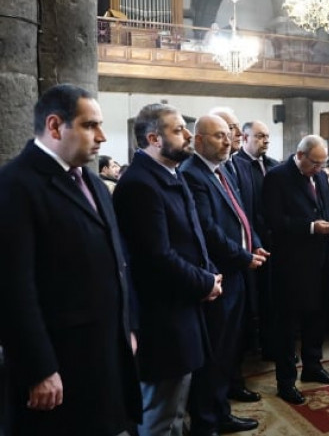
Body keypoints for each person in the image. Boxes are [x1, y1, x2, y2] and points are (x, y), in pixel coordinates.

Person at [0, 84, 141, 435]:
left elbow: (117, 261)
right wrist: (39, 369)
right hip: (61, 363)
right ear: (54, 126)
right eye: (90, 125)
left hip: (105, 351)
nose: (102, 137)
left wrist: (128, 326)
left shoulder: (92, 183)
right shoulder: (15, 184)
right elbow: (13, 289)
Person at [114, 103, 223, 436]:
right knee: (161, 414)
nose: (188, 135)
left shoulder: (168, 174)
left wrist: (209, 273)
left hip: (181, 308)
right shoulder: (141, 184)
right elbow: (157, 257)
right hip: (161, 318)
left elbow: (192, 236)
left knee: (175, 409)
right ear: (154, 139)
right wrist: (205, 282)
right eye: (178, 130)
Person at [180, 116, 268, 435]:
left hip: (237, 272)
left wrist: (254, 244)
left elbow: (240, 215)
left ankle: (221, 413)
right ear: (199, 140)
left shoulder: (222, 169)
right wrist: (243, 256)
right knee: (214, 354)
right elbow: (207, 229)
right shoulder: (192, 173)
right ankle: (206, 422)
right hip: (217, 276)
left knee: (229, 351)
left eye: (228, 135)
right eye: (219, 136)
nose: (228, 141)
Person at [263, 135, 329, 405]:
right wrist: (311, 227)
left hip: (321, 258)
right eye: (315, 163)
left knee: (318, 316)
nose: (319, 169)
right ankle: (286, 381)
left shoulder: (319, 175)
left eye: (323, 164)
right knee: (287, 325)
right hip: (292, 262)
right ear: (300, 155)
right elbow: (274, 220)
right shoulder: (277, 177)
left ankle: (313, 366)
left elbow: (327, 206)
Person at [233, 120, 279, 370]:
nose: (265, 140)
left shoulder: (273, 165)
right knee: (253, 297)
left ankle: (272, 345)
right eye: (260, 136)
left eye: (267, 136)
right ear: (245, 138)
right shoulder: (236, 165)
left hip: (275, 239)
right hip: (250, 242)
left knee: (273, 296)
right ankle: (252, 346)